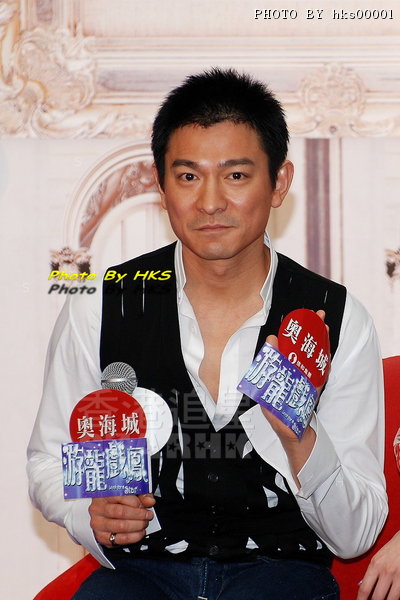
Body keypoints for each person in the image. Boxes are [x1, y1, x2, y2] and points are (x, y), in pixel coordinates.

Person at [28, 68, 387, 600]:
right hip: (141, 574)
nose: (210, 201)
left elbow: (357, 534)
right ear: (161, 184)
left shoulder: (334, 319)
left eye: (236, 175)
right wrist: (89, 513)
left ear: (279, 182)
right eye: (188, 176)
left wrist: (300, 440)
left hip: (280, 575)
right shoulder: (105, 304)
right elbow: (48, 460)